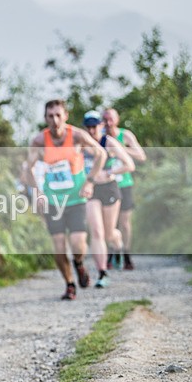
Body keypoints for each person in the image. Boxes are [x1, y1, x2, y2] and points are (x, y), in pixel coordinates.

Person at [24, 100, 106, 300]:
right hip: (53, 201)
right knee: (59, 247)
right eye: (50, 116)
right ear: (45, 118)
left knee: (78, 243)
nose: (55, 120)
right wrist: (38, 192)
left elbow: (101, 154)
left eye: (58, 115)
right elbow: (28, 169)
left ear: (65, 116)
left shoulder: (77, 136)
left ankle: (79, 263)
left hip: (76, 198)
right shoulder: (39, 141)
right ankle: (70, 284)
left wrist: (89, 182)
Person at [81, 110, 135, 288]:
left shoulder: (109, 142)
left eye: (94, 127)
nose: (91, 131)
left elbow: (129, 165)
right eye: (88, 127)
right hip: (91, 190)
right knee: (96, 232)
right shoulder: (81, 144)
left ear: (101, 126)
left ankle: (118, 246)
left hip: (109, 188)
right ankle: (102, 273)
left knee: (109, 233)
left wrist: (110, 172)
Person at [101, 108, 147, 270]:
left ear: (117, 119)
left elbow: (141, 156)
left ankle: (126, 255)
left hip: (124, 184)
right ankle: (110, 255)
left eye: (111, 119)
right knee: (108, 224)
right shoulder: (100, 137)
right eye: (105, 119)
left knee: (124, 222)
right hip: (106, 184)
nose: (108, 123)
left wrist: (119, 148)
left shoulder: (125, 135)